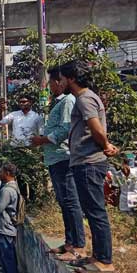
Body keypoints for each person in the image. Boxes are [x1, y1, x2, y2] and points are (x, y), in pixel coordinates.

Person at [60, 61, 117, 273]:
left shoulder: (84, 99)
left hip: (89, 163)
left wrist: (105, 145)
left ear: (71, 79)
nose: (61, 82)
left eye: (63, 78)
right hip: (85, 161)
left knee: (95, 212)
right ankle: (97, 256)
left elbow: (96, 128)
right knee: (92, 211)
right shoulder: (85, 98)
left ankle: (105, 261)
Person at [30, 66, 85, 262]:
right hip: (55, 158)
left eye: (54, 82)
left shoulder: (68, 101)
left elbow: (64, 130)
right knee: (64, 202)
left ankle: (78, 246)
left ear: (58, 82)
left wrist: (42, 140)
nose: (53, 86)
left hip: (63, 157)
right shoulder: (60, 102)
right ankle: (70, 242)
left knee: (70, 202)